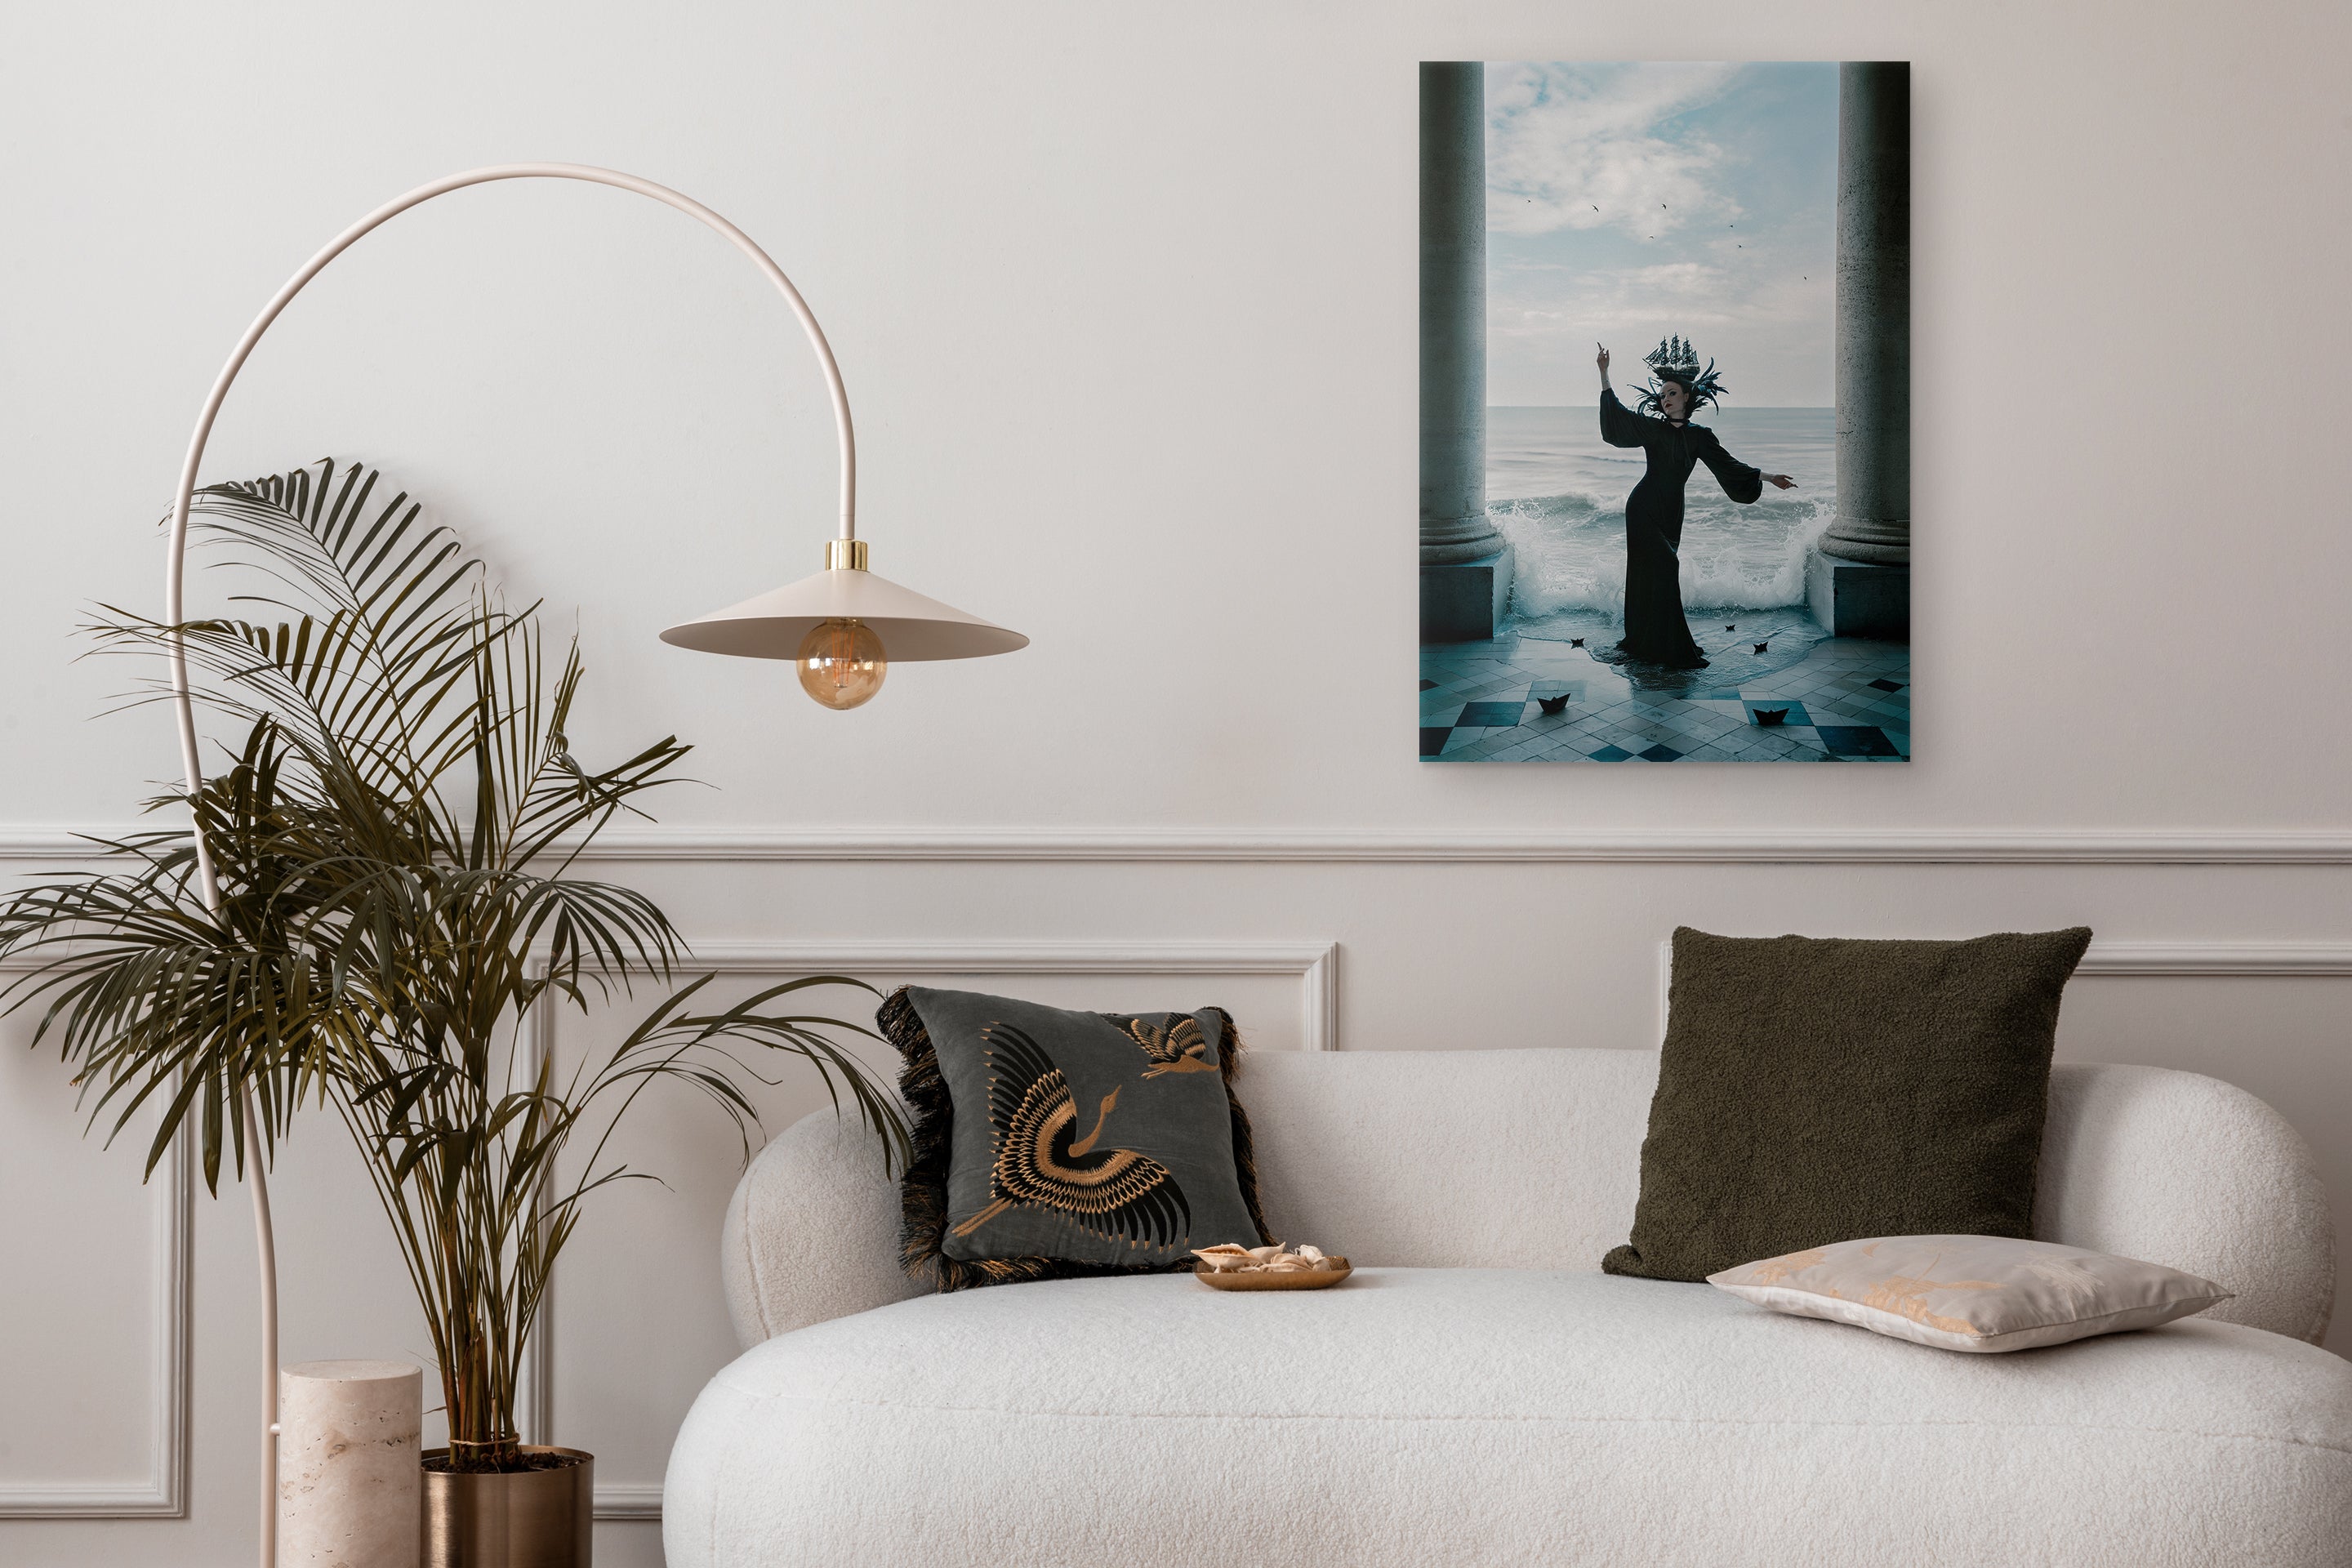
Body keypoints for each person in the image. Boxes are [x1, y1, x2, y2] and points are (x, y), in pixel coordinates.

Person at [1595, 339, 1796, 669]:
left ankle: (1656, 641)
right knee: (1663, 568)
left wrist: (1770, 477)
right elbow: (1617, 420)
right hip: (1643, 509)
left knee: (1658, 574)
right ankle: (1665, 645)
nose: (1665, 399)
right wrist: (1604, 373)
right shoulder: (1652, 429)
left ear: (1686, 397)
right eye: (1662, 395)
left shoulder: (1700, 436)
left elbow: (1728, 466)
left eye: (1672, 393)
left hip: (1671, 513)